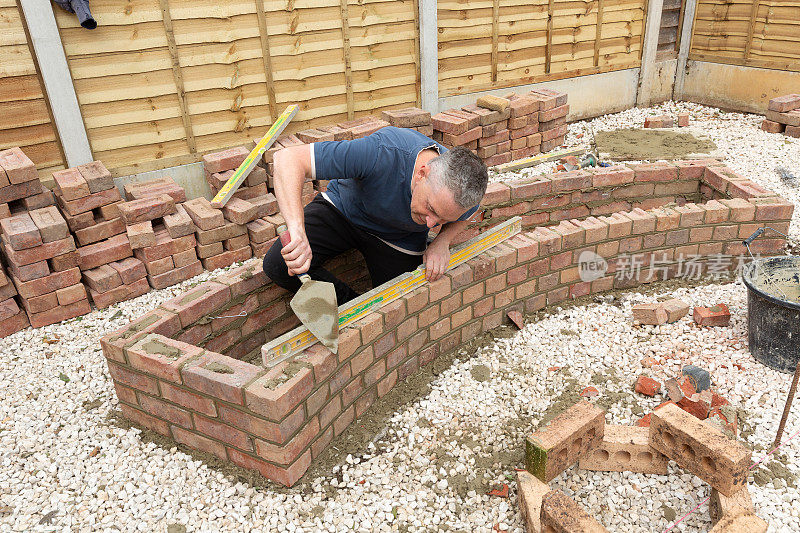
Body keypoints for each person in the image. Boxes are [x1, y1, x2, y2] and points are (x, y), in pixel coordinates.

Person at [262, 126, 489, 305]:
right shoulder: (383, 151)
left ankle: (367, 313)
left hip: (399, 239)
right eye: (431, 209)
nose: (430, 223)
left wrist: (442, 241)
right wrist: (297, 230)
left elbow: (467, 215)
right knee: (279, 264)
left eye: (441, 220)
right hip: (343, 211)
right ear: (422, 174)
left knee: (400, 301)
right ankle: (348, 305)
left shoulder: (463, 194)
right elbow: (288, 158)